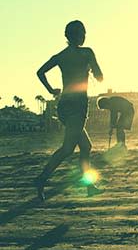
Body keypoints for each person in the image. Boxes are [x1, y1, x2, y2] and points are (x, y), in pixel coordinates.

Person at [34, 20, 104, 201]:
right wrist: (92, 69)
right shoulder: (87, 53)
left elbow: (40, 72)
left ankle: (89, 187)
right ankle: (41, 179)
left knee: (86, 147)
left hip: (65, 104)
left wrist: (51, 90)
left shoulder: (61, 56)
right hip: (77, 105)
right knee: (67, 148)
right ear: (79, 35)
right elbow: (100, 77)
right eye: (83, 33)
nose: (84, 36)